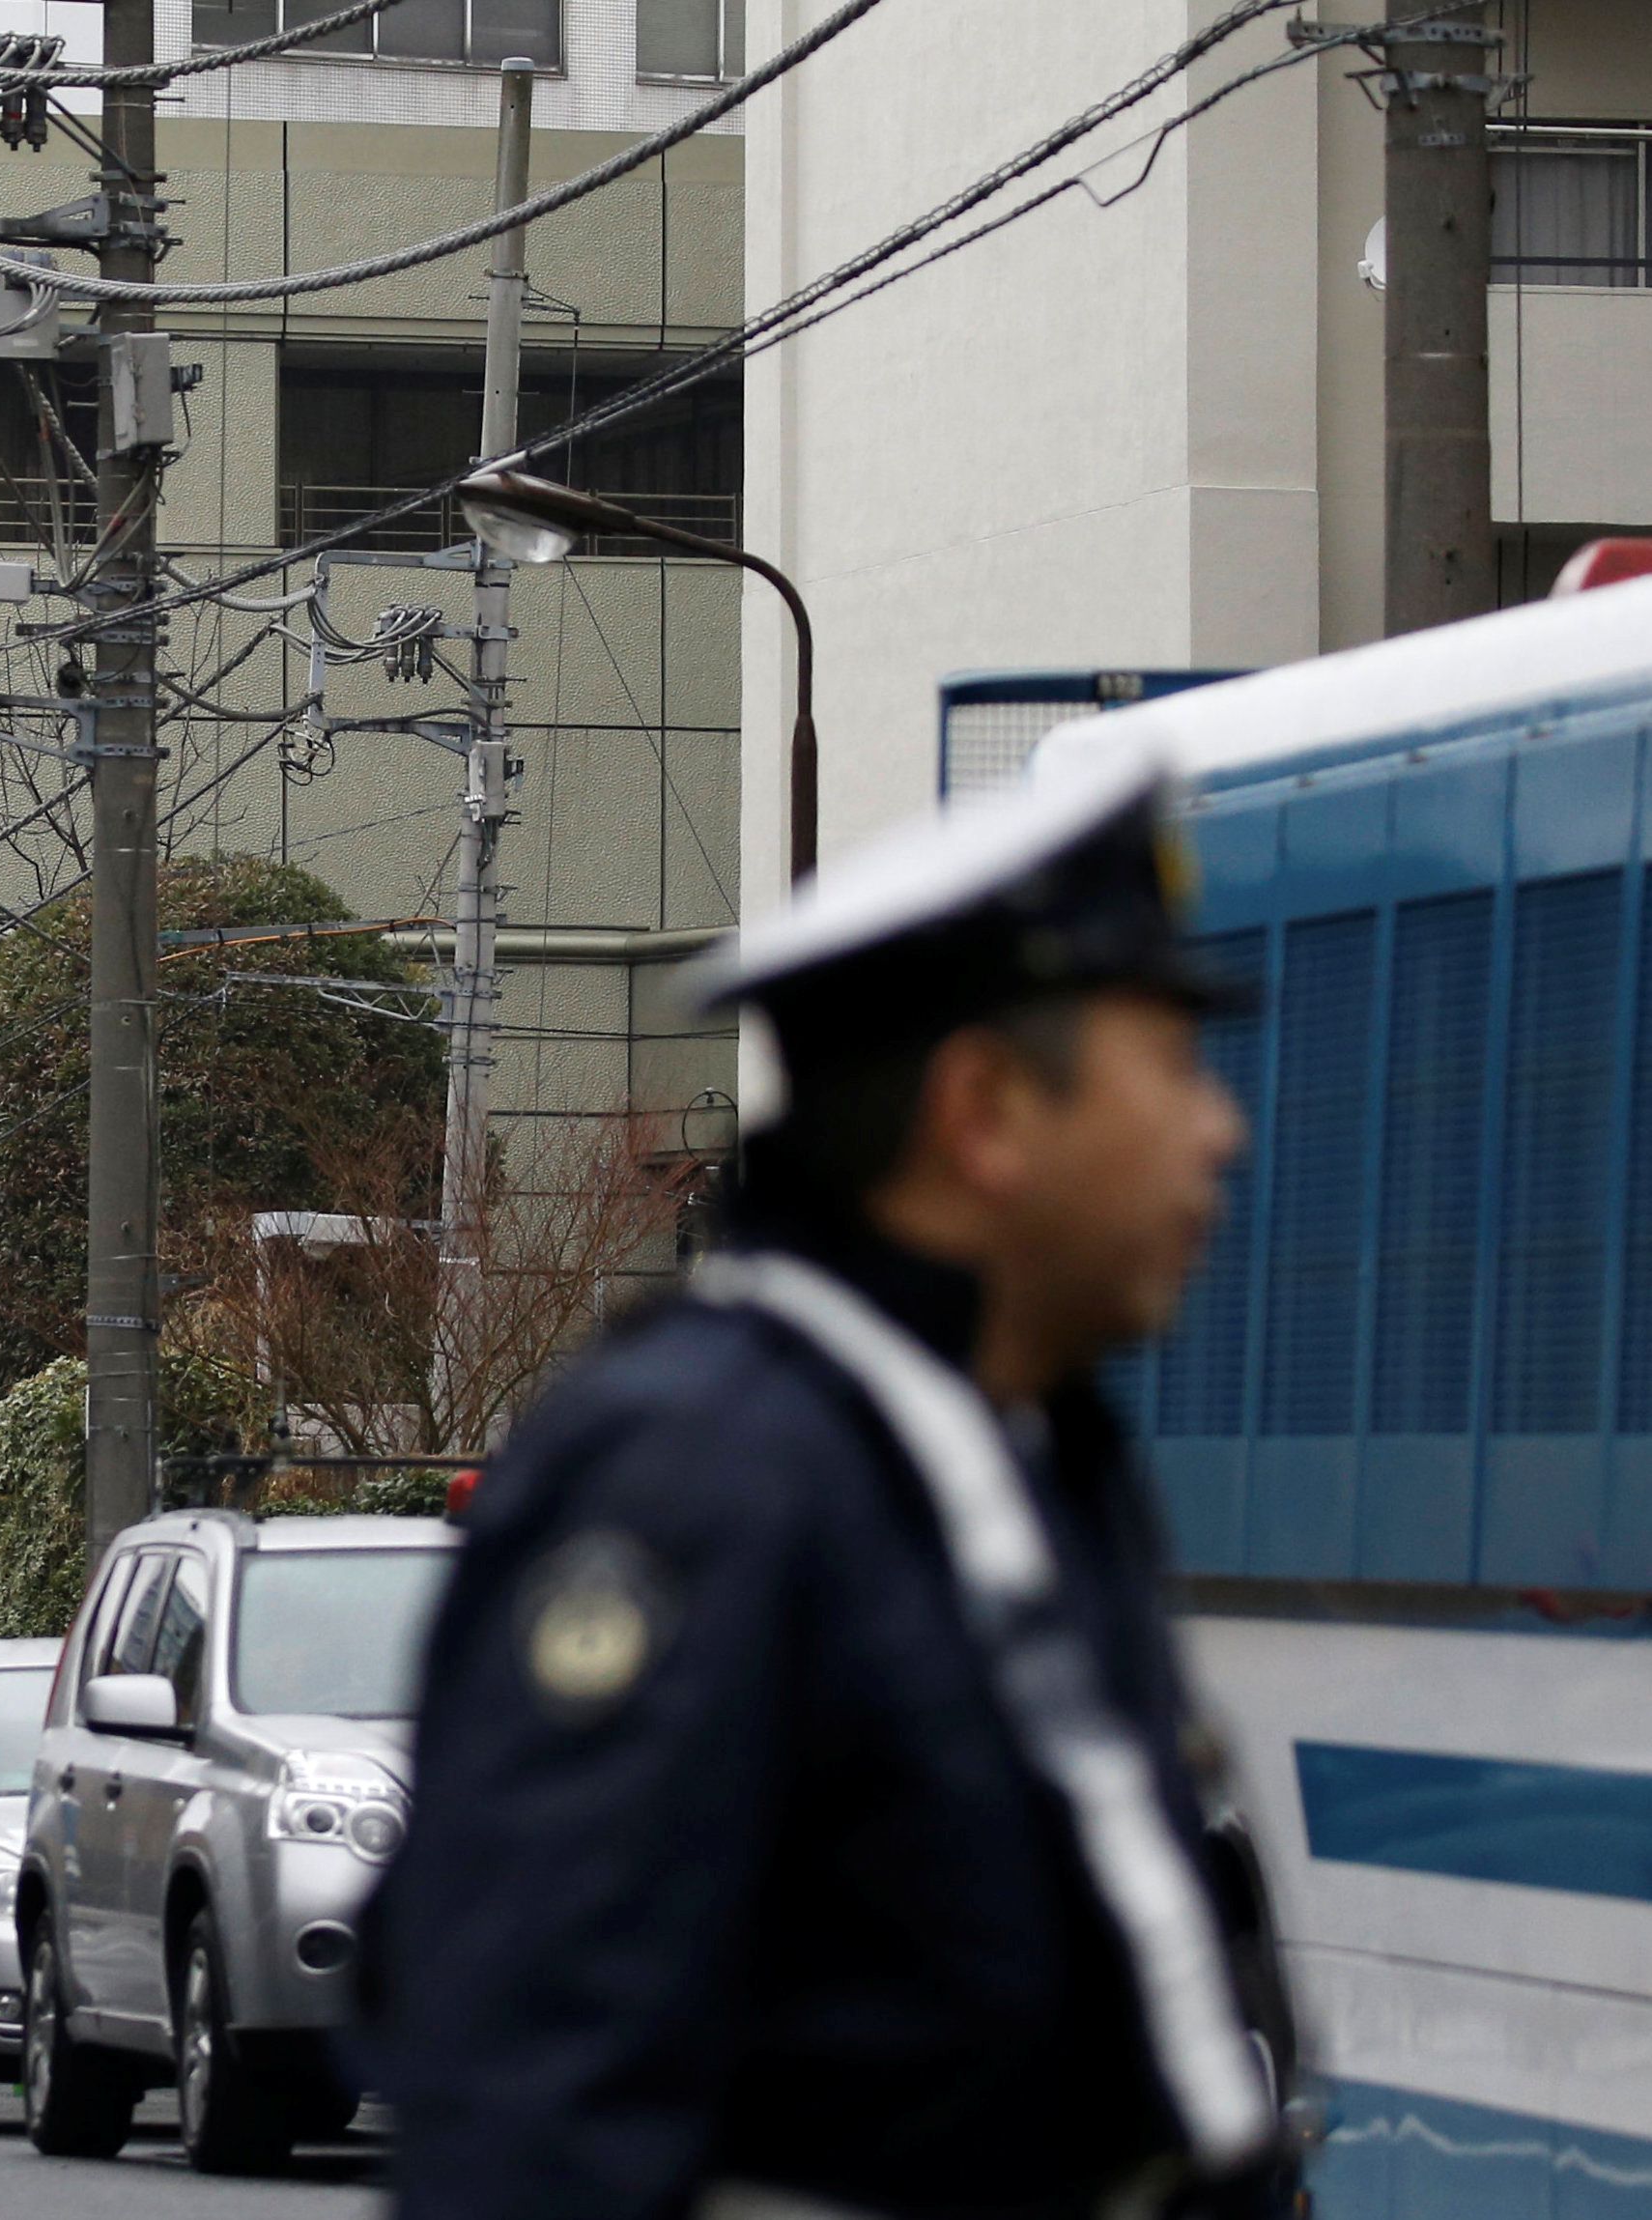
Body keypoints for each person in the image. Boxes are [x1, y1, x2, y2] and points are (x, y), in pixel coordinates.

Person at [360, 741, 1298, 2220]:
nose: (1216, 1129)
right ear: (982, 1111)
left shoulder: (1019, 1455)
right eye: (1172, 1068)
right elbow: (533, 2097)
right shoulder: (701, 1472)